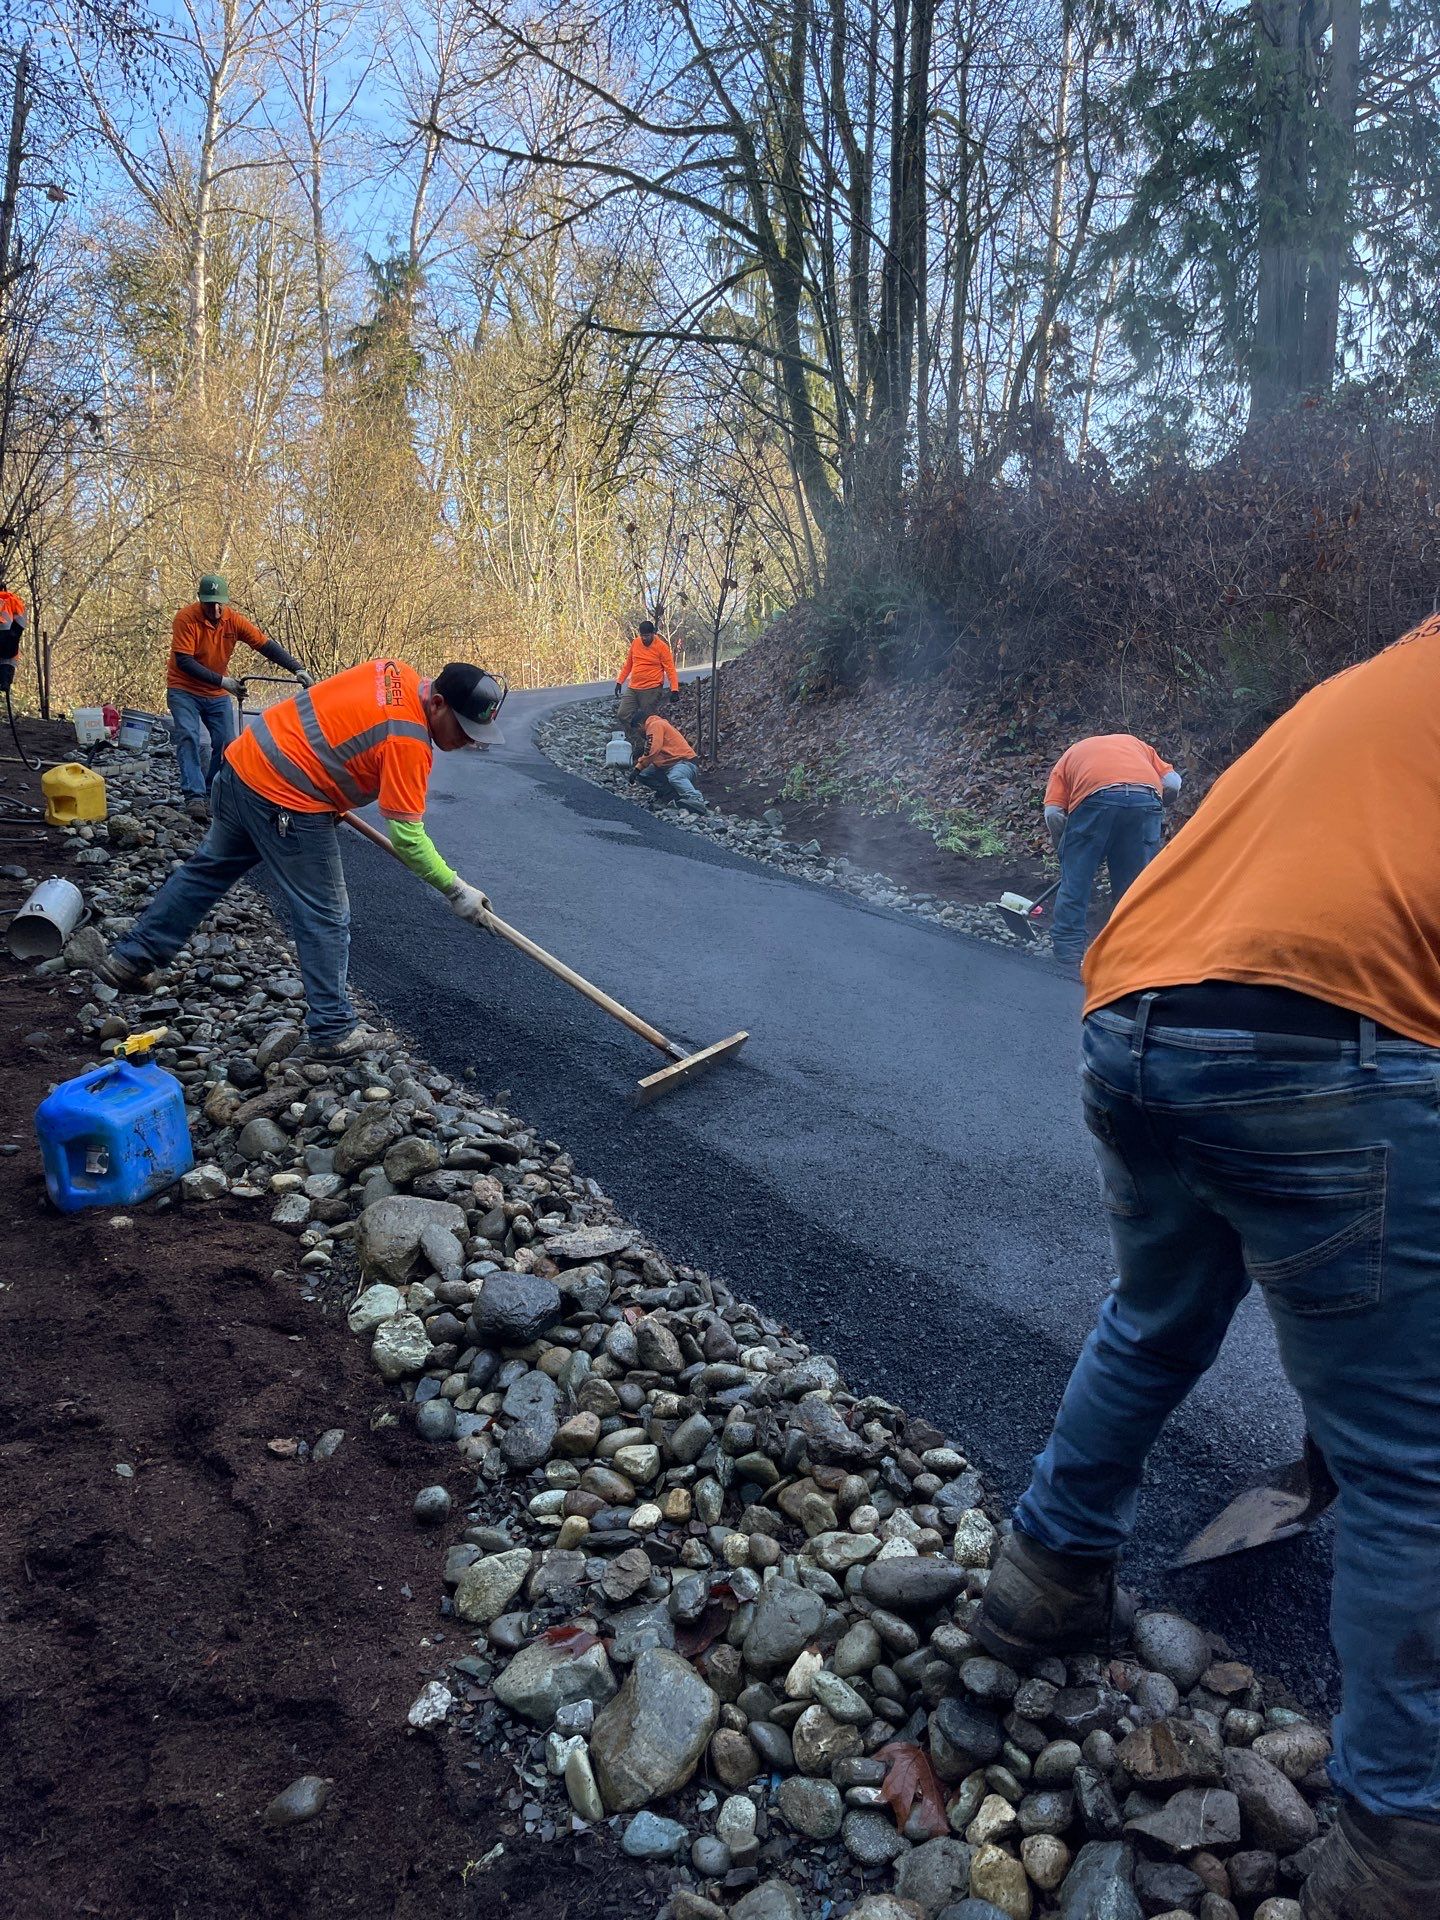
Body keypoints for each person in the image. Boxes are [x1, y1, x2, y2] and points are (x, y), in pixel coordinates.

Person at [976, 616, 1440, 1917]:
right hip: (1327, 1024)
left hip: (1136, 1009)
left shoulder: (1368, 687)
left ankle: (1042, 1580)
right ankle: (1403, 1845)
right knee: (1413, 1452)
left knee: (1158, 1315)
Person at [95, 659, 504, 1061]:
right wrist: (456, 890)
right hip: (285, 799)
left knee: (206, 873)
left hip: (245, 764)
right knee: (326, 913)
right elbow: (408, 837)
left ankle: (131, 958)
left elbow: (333, 729)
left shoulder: (392, 671)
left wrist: (328, 786)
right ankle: (333, 1031)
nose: (469, 741)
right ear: (436, 703)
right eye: (464, 730)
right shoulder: (408, 741)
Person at [168, 573, 312, 822]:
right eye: (209, 603)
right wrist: (224, 682)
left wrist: (297, 668)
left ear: (226, 602)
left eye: (218, 604)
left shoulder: (233, 621)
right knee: (188, 736)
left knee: (227, 742)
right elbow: (184, 661)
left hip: (215, 693)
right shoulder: (186, 618)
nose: (214, 609)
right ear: (200, 601)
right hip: (184, 689)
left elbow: (265, 645)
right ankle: (194, 796)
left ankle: (212, 794)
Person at [1043, 733, 1182, 974]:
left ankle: (1068, 954)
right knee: (1134, 886)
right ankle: (1129, 956)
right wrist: (1153, 805)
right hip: (1146, 800)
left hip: (1095, 800)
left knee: (1076, 882)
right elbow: (1173, 783)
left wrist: (1067, 853)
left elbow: (1054, 814)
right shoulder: (1137, 745)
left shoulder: (1069, 757)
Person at [630, 711, 707, 813]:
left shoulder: (655, 725)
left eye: (637, 730)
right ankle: (671, 794)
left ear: (640, 725)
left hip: (684, 763)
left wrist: (638, 767)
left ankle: (696, 799)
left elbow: (652, 750)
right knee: (644, 774)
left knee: (675, 776)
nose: (638, 733)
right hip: (669, 765)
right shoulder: (657, 725)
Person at [614, 619, 679, 734]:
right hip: (634, 687)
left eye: (647, 636)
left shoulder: (661, 647)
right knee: (622, 714)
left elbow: (670, 669)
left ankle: (650, 742)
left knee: (647, 718)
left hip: (652, 688)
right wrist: (620, 681)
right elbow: (628, 664)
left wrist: (674, 689)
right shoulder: (635, 643)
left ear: (653, 634)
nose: (644, 638)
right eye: (642, 635)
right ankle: (636, 736)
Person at [0, 575, 26, 697]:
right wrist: (14, 635)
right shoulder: (14, 600)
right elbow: (21, 622)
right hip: (9, 640)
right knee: (9, 660)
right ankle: (5, 682)